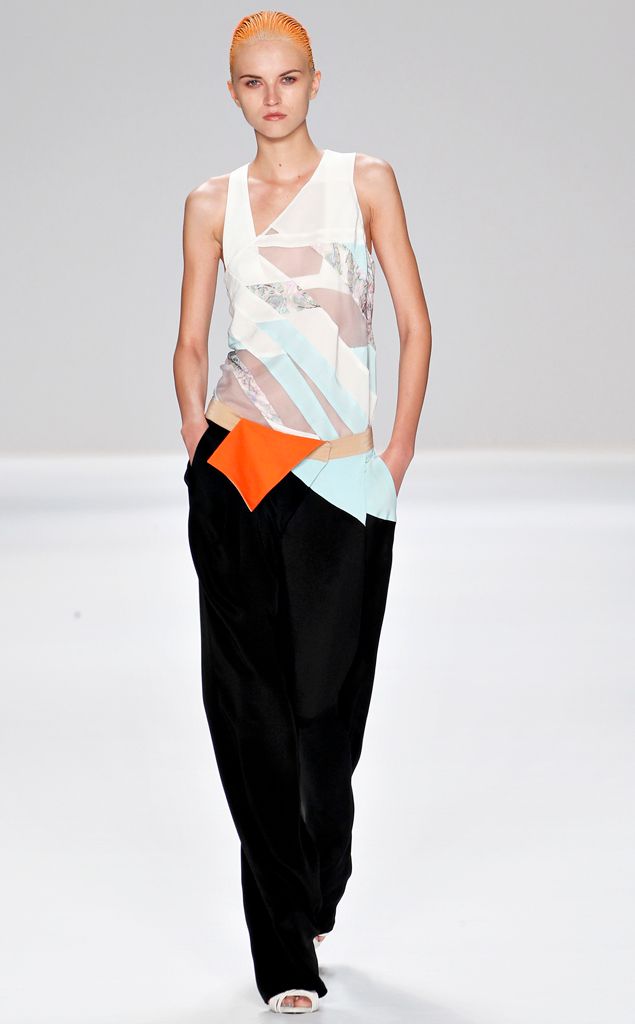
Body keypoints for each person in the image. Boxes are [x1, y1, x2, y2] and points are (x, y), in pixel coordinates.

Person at [172, 9, 431, 1014]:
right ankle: (284, 951)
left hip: (342, 475)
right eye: (252, 81)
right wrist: (198, 445)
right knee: (250, 714)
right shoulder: (210, 203)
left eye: (287, 78)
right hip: (239, 464)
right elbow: (191, 339)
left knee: (326, 720)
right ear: (231, 92)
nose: (270, 97)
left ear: (315, 82)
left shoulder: (364, 181)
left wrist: (394, 451)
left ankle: (320, 871)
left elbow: (412, 322)